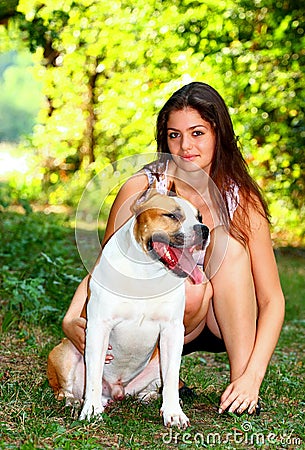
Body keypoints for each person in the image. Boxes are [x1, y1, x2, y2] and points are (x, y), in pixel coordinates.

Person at [62, 82, 285, 415]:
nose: (185, 146)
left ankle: (241, 391)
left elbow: (272, 299)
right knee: (190, 287)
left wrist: (254, 376)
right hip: (152, 321)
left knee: (228, 247)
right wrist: (71, 316)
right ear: (164, 139)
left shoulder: (241, 199)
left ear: (218, 135)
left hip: (218, 322)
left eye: (197, 133)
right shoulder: (144, 190)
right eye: (174, 135)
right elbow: (106, 264)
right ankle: (154, 372)